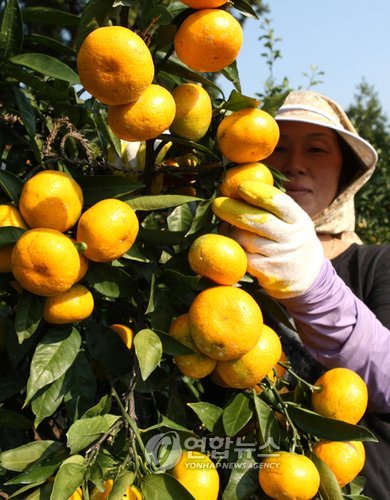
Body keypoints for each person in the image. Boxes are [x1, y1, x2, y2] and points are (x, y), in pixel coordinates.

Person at [213, 90, 390, 499]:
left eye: (316, 149)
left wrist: (315, 289)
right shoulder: (224, 267)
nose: (294, 165)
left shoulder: (377, 265)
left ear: (344, 171)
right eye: (277, 149)